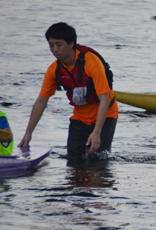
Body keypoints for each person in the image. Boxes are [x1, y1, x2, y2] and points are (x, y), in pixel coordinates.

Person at [19, 22, 118, 158]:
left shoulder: (92, 63)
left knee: (97, 160)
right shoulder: (54, 69)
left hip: (105, 114)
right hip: (80, 116)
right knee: (73, 159)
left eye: (59, 45)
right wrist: (28, 133)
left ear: (71, 44)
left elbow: (105, 99)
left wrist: (97, 131)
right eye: (51, 45)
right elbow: (41, 101)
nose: (54, 49)